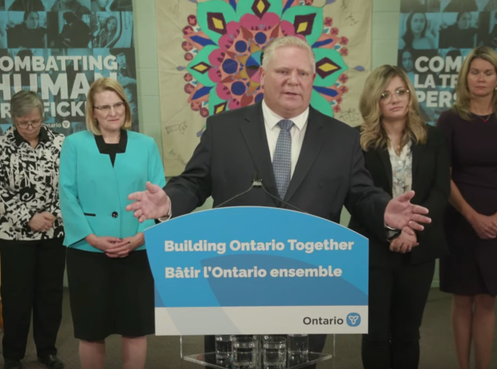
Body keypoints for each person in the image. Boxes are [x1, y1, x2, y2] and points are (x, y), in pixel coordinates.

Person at [125, 35, 432, 366]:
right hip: (233, 282)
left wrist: (385, 209)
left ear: (313, 80)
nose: (293, 81)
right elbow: (194, 183)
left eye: (302, 74)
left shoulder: (342, 139)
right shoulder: (223, 129)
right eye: (283, 71)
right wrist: (167, 203)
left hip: (308, 283)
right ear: (262, 75)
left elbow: (361, 194)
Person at [59, 77, 165, 369]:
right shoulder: (74, 145)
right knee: (92, 331)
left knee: (135, 328)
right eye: (103, 107)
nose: (112, 112)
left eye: (118, 104)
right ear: (93, 112)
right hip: (88, 252)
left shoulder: (146, 145)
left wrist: (140, 237)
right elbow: (67, 195)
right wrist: (91, 238)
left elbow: (159, 194)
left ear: (126, 106)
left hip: (137, 250)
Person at [348, 65, 450, 369]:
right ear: (373, 101)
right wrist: (391, 233)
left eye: (400, 91)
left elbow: (440, 191)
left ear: (410, 95)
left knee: (408, 334)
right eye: (385, 94)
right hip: (375, 249)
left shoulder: (433, 138)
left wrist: (411, 231)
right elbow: (356, 196)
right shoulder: (358, 141)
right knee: (376, 334)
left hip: (419, 247)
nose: (395, 99)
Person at [437, 46, 497, 369]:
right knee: (462, 298)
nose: (480, 78)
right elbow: (443, 177)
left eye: (487, 73)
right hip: (460, 217)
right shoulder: (449, 120)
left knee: (488, 299)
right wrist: (473, 216)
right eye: (474, 72)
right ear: (465, 77)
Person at [0, 90, 66, 369]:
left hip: (53, 231)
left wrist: (51, 215)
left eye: (35, 121)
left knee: (50, 294)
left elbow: (70, 184)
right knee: (17, 295)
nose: (30, 127)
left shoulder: (60, 144)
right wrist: (28, 217)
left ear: (42, 116)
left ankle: (47, 351)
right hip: (14, 234)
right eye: (23, 123)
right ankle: (13, 355)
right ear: (13, 119)